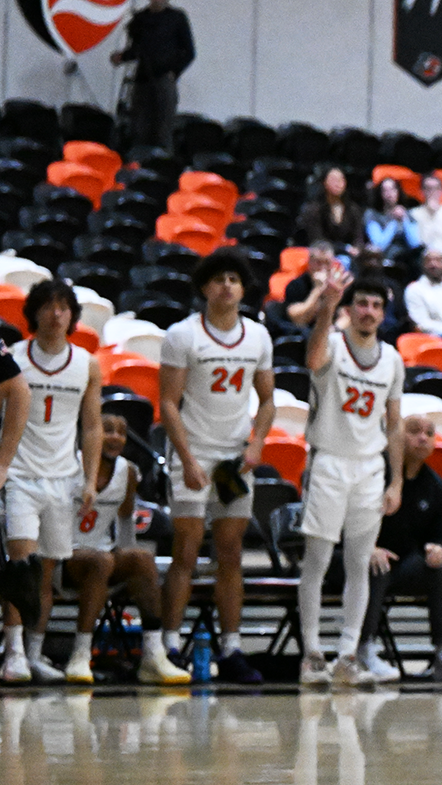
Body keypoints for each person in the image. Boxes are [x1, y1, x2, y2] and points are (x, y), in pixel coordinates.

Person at [157, 248, 276, 683]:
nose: (227, 285)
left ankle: (232, 649)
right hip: (194, 452)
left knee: (230, 554)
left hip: (232, 461)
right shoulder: (182, 334)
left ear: (244, 289)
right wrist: (187, 459)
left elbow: (267, 400)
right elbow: (167, 403)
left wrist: (257, 442)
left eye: (235, 279)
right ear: (204, 287)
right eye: (219, 278)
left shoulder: (259, 337)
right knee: (185, 552)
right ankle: (168, 645)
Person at [297, 272, 405, 688]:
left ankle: (347, 654)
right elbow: (311, 359)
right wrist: (325, 308)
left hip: (369, 468)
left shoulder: (393, 359)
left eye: (376, 305)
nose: (369, 311)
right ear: (349, 307)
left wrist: (396, 482)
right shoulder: (333, 345)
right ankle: (311, 653)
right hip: (328, 462)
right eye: (361, 303)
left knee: (359, 564)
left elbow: (394, 426)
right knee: (318, 561)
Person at [1, 280, 103, 683]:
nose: (55, 313)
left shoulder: (88, 364)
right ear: (34, 313)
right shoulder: (15, 358)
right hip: (20, 474)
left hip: (63, 477)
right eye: (47, 305)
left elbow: (92, 427)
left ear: (73, 315)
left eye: (63, 307)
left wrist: (91, 478)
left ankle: (35, 652)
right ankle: (13, 653)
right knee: (19, 564)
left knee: (45, 572)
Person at [64, 412, 192, 684]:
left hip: (102, 556)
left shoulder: (128, 472)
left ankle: (154, 655)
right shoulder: (69, 464)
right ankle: (80, 655)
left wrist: (128, 557)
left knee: (142, 559)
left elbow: (125, 523)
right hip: (64, 555)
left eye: (121, 432)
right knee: (102, 561)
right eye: (108, 430)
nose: (116, 437)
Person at [358, 415, 442, 683]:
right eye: (414, 431)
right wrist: (368, 548)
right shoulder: (375, 473)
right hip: (357, 558)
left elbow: (434, 538)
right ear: (397, 436)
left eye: (429, 433)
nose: (423, 438)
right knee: (377, 566)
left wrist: (437, 550)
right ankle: (364, 648)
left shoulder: (436, 486)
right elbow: (348, 521)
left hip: (403, 563)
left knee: (441, 572)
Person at [110, 0, 195, 151]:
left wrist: (174, 72)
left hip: (164, 77)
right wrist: (122, 57)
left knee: (163, 128)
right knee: (139, 126)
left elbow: (189, 51)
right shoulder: (140, 19)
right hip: (142, 79)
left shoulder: (177, 18)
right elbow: (137, 49)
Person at [299, 167, 366, 254]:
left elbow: (358, 237)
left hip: (349, 255)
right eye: (333, 180)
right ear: (324, 183)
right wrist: (344, 249)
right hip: (322, 254)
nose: (338, 183)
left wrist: (357, 248)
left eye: (341, 180)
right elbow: (317, 239)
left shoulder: (353, 209)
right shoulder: (314, 209)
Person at [279, 241, 342, 333]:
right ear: (309, 263)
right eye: (318, 262)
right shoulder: (296, 285)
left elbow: (346, 317)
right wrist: (318, 290)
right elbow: (298, 320)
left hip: (331, 334)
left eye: (327, 263)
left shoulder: (338, 287)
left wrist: (335, 328)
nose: (322, 268)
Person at [363, 178, 421, 259]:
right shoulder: (372, 214)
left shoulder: (407, 213)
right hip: (383, 258)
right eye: (385, 190)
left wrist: (404, 219)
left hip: (405, 258)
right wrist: (394, 221)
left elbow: (414, 243)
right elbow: (379, 245)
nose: (389, 194)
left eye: (392, 189)